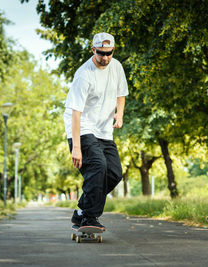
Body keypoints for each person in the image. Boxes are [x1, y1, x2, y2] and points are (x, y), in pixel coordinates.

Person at [64, 32, 128, 230]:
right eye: (101, 53)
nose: (105, 58)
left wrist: (120, 114)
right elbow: (75, 113)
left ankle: (82, 210)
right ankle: (89, 218)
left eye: (109, 53)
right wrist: (76, 148)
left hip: (104, 131)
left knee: (115, 173)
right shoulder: (84, 74)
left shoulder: (116, 66)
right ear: (93, 50)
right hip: (82, 128)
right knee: (98, 166)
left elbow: (121, 94)